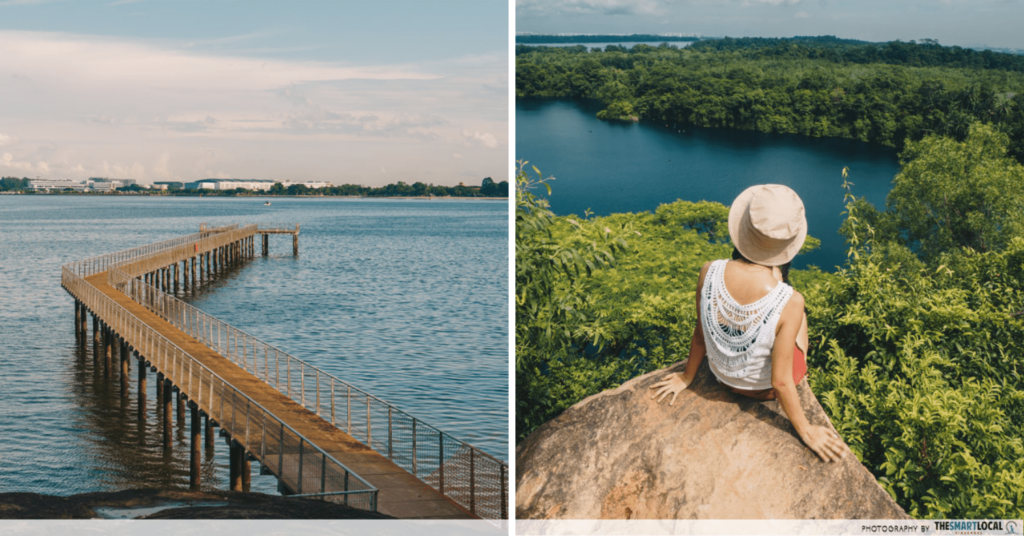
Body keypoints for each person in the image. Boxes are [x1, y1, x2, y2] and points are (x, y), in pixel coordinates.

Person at [649, 184, 847, 463]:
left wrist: (687, 377)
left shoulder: (708, 270)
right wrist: (807, 431)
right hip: (762, 391)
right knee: (798, 317)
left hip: (721, 378)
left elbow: (700, 333)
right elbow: (780, 381)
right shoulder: (790, 301)